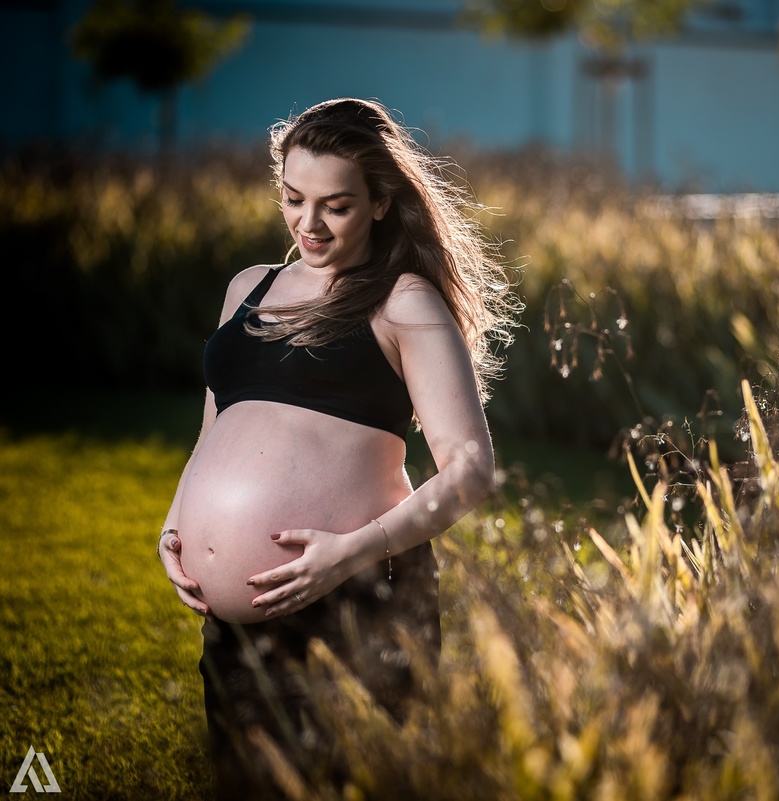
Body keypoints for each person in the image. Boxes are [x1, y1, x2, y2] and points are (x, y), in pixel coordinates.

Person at [154, 97, 518, 797]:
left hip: (357, 594)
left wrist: (348, 552)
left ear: (381, 201)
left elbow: (471, 470)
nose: (308, 223)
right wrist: (177, 523)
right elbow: (215, 429)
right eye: (293, 198)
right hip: (239, 621)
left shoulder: (402, 300)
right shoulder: (245, 290)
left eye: (336, 206)